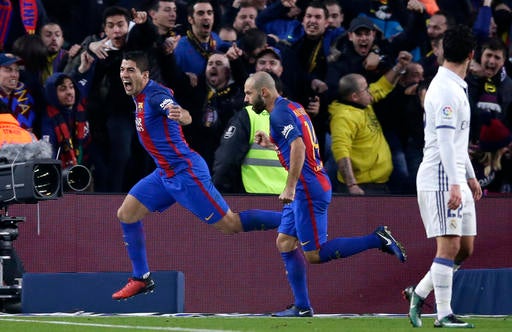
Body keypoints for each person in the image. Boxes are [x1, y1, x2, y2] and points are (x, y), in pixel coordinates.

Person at [111, 51, 282, 300]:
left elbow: (177, 110)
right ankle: (141, 278)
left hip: (186, 172)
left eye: (130, 70)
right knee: (126, 214)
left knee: (230, 225)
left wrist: (183, 115)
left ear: (144, 75)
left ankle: (294, 219)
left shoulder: (156, 96)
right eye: (122, 70)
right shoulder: (138, 95)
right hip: (164, 174)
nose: (125, 75)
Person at [245, 71, 406, 317]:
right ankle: (302, 307)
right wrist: (273, 142)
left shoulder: (278, 114)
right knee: (285, 242)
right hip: (309, 184)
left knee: (315, 254)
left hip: (306, 189)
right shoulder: (292, 106)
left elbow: (298, 146)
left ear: (263, 92)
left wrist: (289, 186)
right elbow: (301, 142)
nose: (246, 99)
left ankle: (378, 239)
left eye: (248, 93)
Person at [405, 25, 482, 329]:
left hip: (456, 174)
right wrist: (454, 182)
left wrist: (470, 177)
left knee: (465, 248)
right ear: (471, 55)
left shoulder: (454, 85)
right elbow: (446, 142)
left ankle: (419, 292)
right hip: (440, 176)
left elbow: (458, 140)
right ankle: (443, 314)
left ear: (442, 51)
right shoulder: (446, 89)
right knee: (448, 247)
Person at [327, 51, 413, 195]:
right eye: (365, 89)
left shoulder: (362, 103)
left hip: (378, 183)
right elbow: (341, 152)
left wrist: (399, 67)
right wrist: (352, 185)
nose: (369, 91)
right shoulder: (343, 118)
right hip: (362, 188)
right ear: (354, 96)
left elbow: (382, 86)